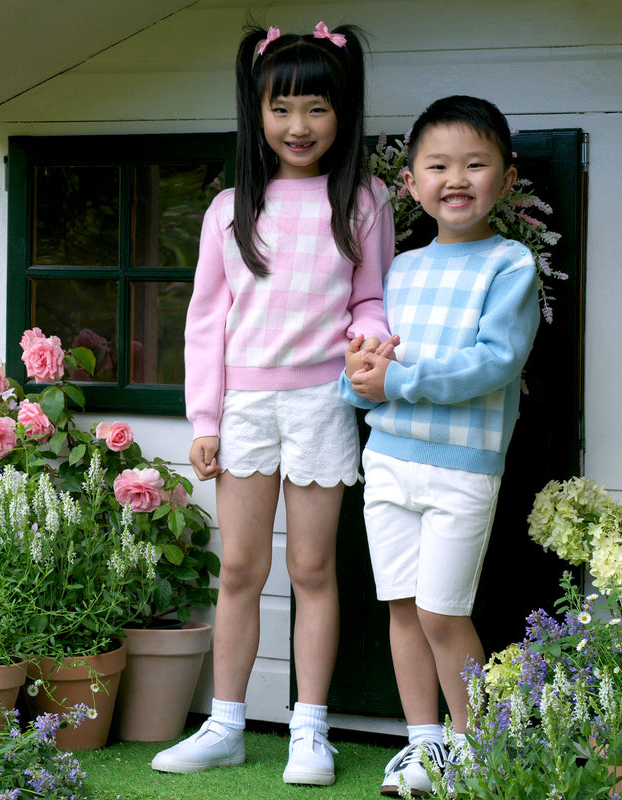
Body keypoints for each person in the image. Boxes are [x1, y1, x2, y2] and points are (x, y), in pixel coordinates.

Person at [151, 21, 396, 786]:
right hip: (246, 408)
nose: (299, 126)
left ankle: (309, 731)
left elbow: (372, 298)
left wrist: (371, 344)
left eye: (317, 109)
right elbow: (203, 323)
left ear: (342, 112)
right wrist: (204, 420)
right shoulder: (229, 208)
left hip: (323, 404)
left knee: (315, 568)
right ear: (257, 112)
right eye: (282, 108)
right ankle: (225, 725)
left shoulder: (364, 197)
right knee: (241, 570)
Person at [339, 95, 540, 797]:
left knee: (440, 612)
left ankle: (476, 748)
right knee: (400, 605)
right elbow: (371, 369)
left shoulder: (510, 264)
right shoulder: (400, 270)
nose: (457, 179)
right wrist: (359, 386)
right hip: (389, 460)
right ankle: (423, 747)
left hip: (462, 469)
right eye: (439, 166)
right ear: (412, 184)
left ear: (505, 180)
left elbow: (495, 362)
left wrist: (399, 380)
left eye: (475, 164)